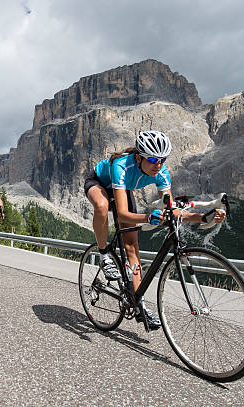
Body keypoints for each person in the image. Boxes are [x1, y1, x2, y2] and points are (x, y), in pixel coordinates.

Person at [84, 130, 226, 330]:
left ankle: (139, 304)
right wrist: (148, 218)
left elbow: (172, 209)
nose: (157, 165)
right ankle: (104, 254)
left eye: (162, 160)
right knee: (102, 205)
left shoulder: (162, 173)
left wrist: (203, 217)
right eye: (152, 159)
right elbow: (123, 214)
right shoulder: (121, 165)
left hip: (123, 190)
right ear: (139, 157)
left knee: (132, 249)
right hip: (99, 183)